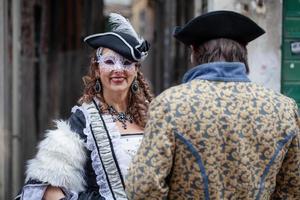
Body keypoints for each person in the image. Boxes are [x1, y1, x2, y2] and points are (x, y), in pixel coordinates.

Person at [126, 10, 300, 199]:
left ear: (194, 52)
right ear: (244, 53)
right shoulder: (283, 108)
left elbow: (143, 189)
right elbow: (292, 189)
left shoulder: (171, 104)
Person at [15, 13, 153, 200]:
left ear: (136, 70)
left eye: (127, 63)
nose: (118, 70)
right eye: (109, 62)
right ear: (97, 69)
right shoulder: (84, 121)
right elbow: (46, 187)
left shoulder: (153, 115)